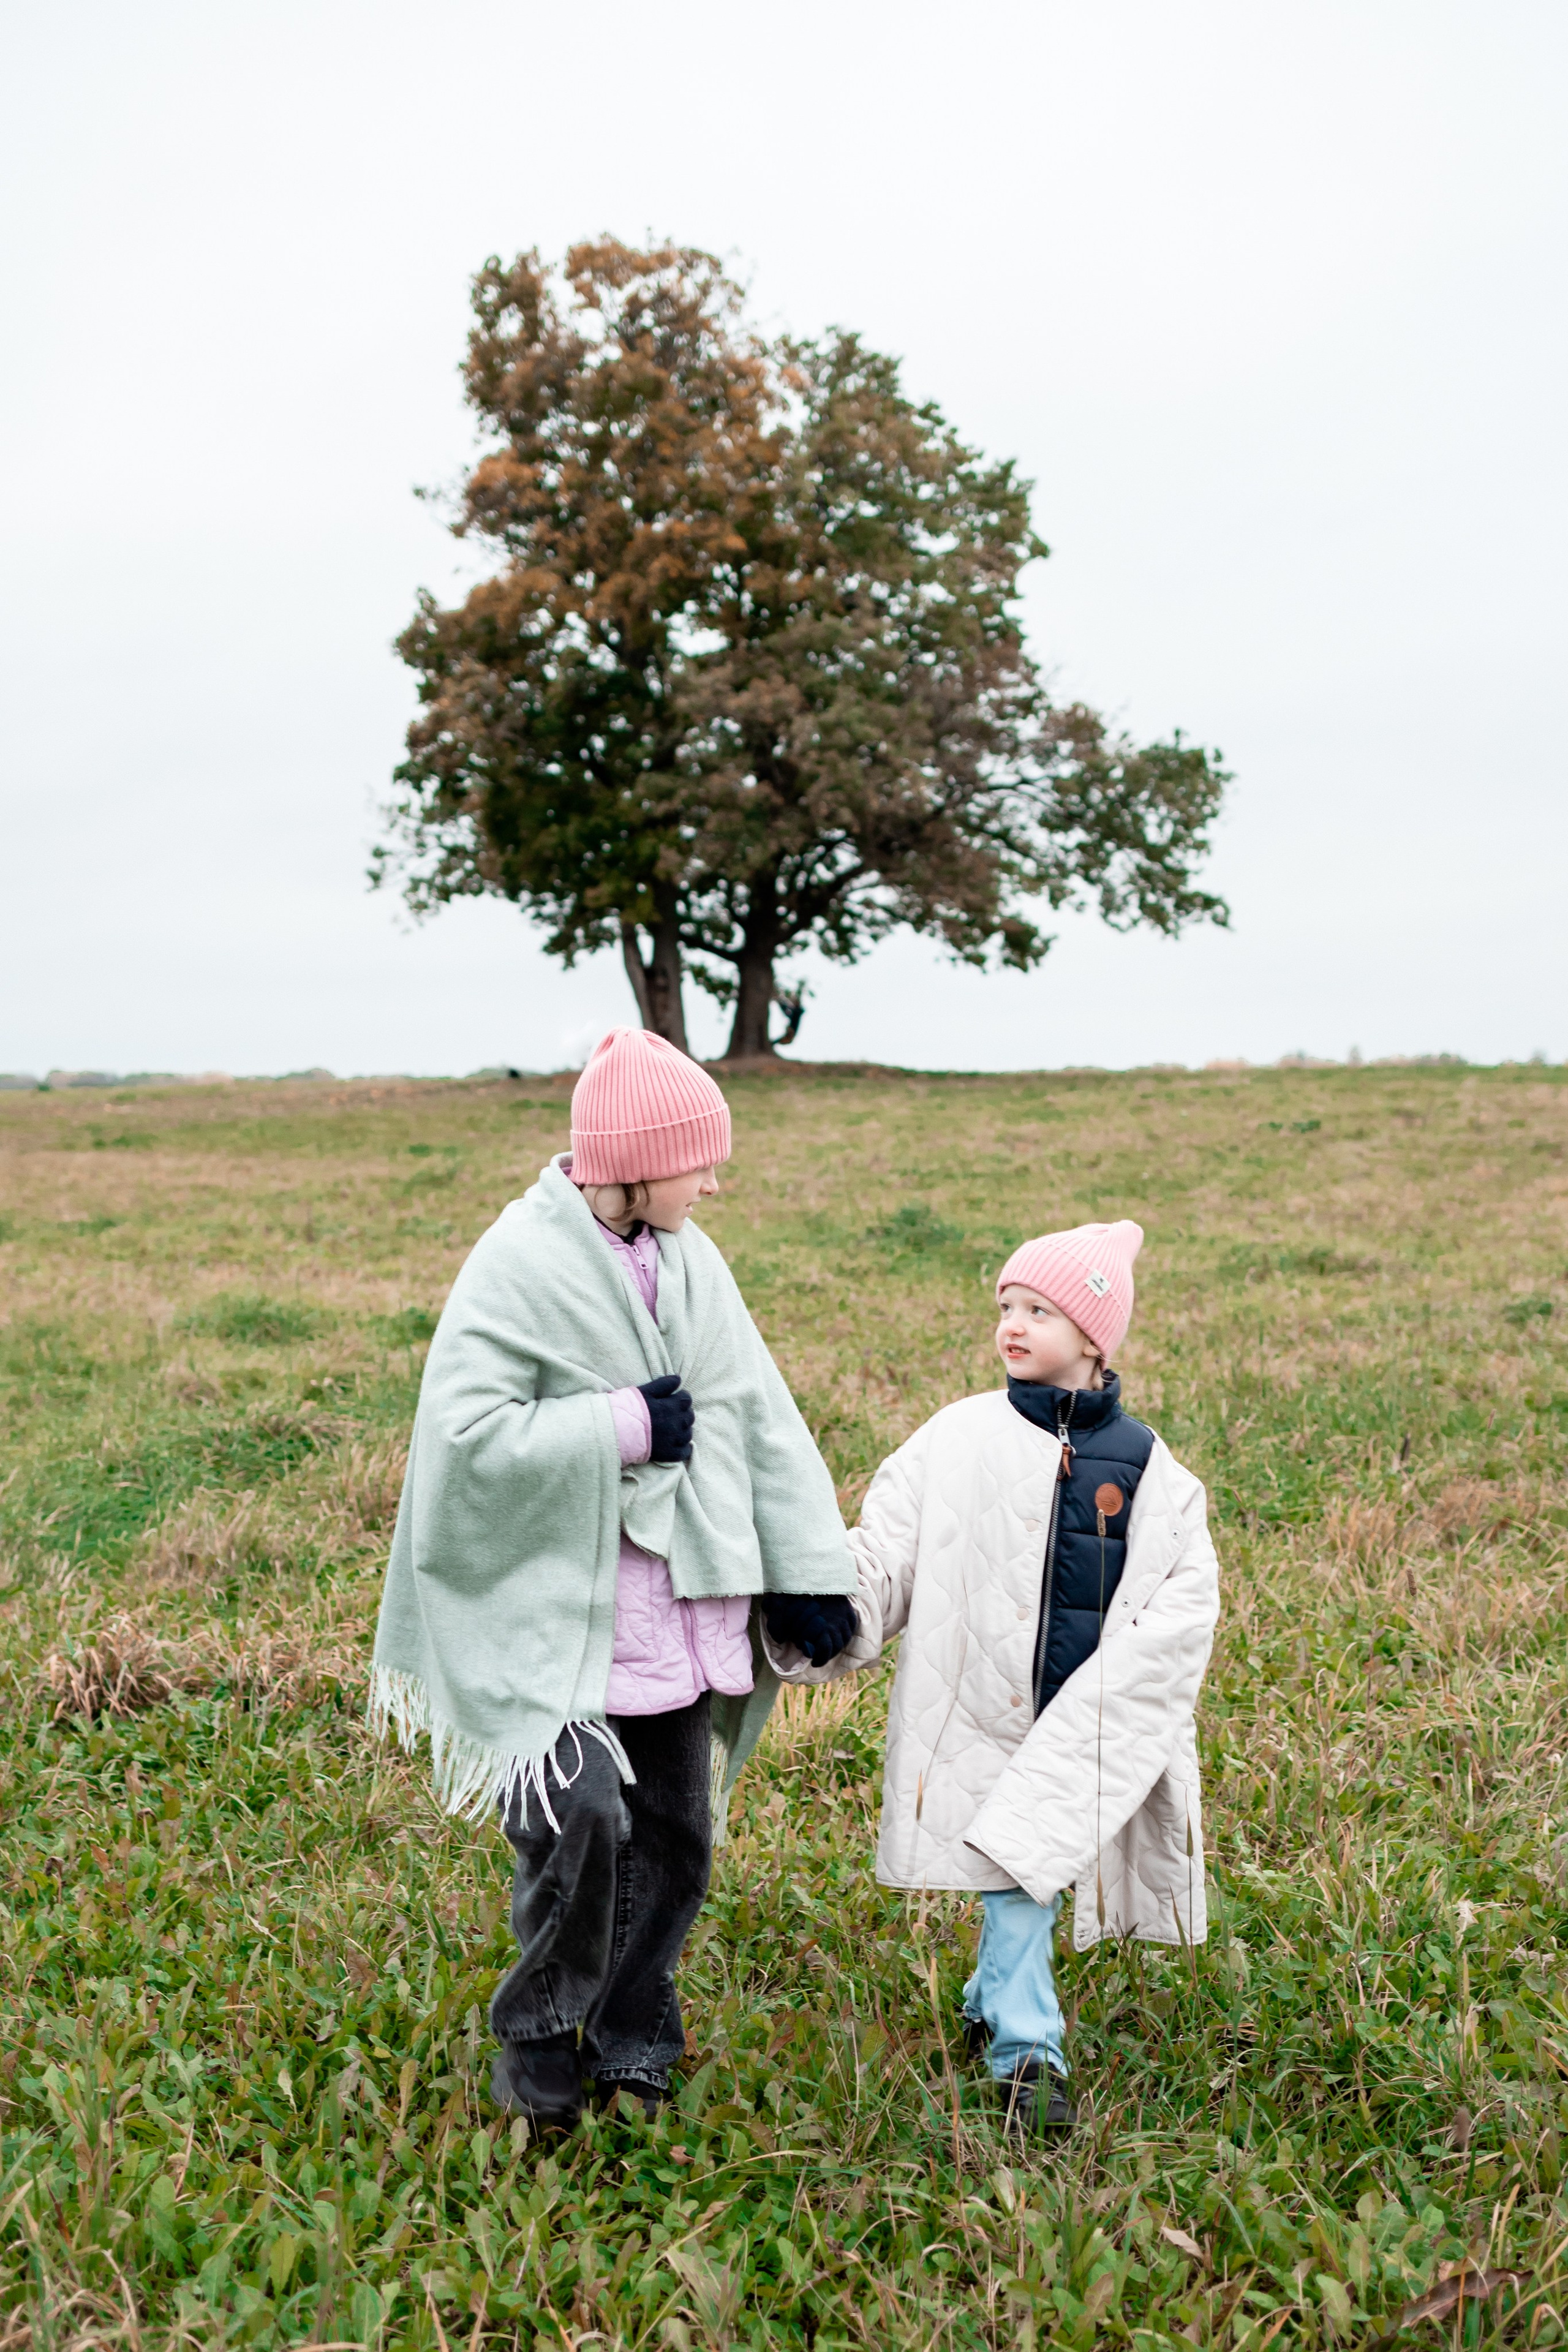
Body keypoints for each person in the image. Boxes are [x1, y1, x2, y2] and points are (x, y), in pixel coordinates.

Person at [368, 1029, 858, 2132]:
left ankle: (636, 2033)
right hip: (550, 1615)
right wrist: (624, 1424)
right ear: (633, 1162)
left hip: (677, 1616)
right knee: (578, 1821)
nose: (715, 1181)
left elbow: (757, 1417)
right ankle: (539, 2035)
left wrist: (803, 1569)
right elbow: (463, 1436)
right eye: (700, 1161)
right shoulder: (519, 1264)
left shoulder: (696, 1259)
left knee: (681, 1835)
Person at [776, 1219, 1219, 2135]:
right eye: (1007, 1307)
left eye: (1041, 1311)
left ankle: (989, 1995)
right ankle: (1028, 2053)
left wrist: (1124, 1696)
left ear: (1095, 1340)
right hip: (977, 1704)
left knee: (1029, 1870)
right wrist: (837, 1610)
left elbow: (1183, 1597)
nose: (1013, 1326)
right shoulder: (957, 1437)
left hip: (1082, 1718)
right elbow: (889, 1541)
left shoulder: (1151, 1468)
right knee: (1017, 1878)